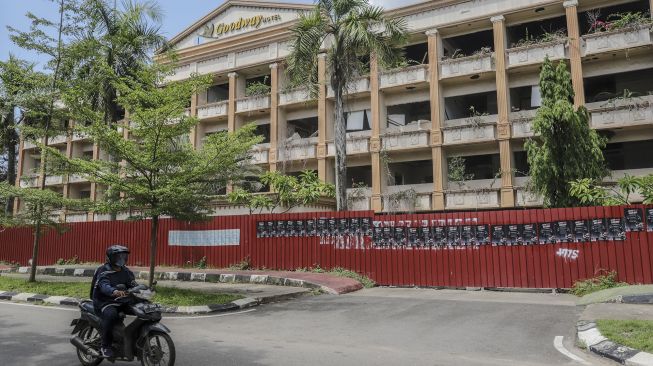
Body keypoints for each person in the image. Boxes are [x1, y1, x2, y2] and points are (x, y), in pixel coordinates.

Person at [91, 245, 137, 358]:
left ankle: (134, 339)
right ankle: (105, 346)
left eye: (124, 256)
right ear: (110, 258)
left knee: (141, 309)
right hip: (104, 301)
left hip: (121, 301)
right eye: (118, 257)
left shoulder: (126, 271)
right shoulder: (103, 271)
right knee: (111, 315)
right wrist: (114, 291)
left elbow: (132, 284)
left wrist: (142, 289)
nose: (122, 259)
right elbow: (104, 285)